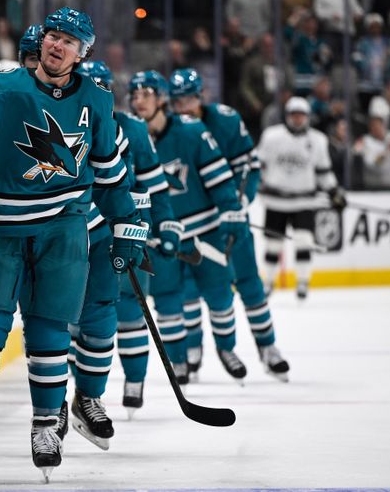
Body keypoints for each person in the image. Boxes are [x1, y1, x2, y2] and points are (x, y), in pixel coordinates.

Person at [0, 7, 145, 479]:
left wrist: (128, 227)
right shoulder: (3, 88)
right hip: (1, 231)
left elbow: (109, 174)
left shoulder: (97, 102)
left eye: (68, 40)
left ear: (83, 52)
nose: (57, 45)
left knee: (48, 332)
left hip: (63, 231)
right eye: (52, 36)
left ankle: (46, 424)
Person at [73, 61, 185, 427]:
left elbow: (153, 187)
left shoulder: (134, 130)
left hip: (126, 233)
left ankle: (134, 381)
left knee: (131, 313)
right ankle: (82, 392)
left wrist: (164, 225)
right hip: (80, 236)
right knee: (78, 316)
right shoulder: (63, 124)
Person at [129, 70, 250, 384]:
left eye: (146, 93)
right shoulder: (130, 136)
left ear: (162, 98)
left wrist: (231, 209)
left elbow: (220, 178)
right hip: (160, 237)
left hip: (204, 230)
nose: (138, 100)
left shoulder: (193, 131)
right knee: (168, 300)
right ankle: (179, 361)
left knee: (220, 294)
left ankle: (226, 348)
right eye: (134, 94)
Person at [169, 68, 290, 382]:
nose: (185, 106)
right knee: (190, 289)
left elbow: (248, 167)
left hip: (229, 220)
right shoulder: (171, 131)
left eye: (190, 99)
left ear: (201, 96)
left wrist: (239, 206)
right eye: (178, 101)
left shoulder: (225, 119)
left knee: (249, 282)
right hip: (195, 227)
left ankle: (268, 347)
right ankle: (193, 352)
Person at [257, 97, 346, 300]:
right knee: (273, 245)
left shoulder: (318, 140)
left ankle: (303, 282)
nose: (297, 119)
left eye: (301, 115)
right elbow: (258, 165)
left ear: (307, 117)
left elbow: (324, 172)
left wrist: (334, 191)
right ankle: (268, 282)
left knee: (304, 241)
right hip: (276, 200)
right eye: (294, 115)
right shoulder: (272, 137)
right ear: (288, 116)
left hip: (304, 201)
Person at [355, 115, 390, 189]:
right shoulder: (365, 141)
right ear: (370, 128)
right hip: (374, 187)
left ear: (384, 126)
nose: (376, 128)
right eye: (373, 126)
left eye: (379, 126)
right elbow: (372, 164)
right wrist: (387, 151)